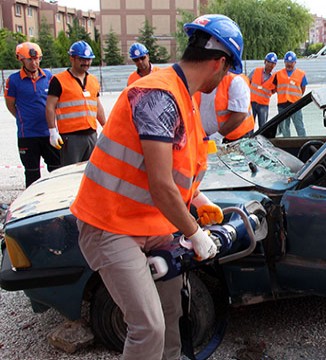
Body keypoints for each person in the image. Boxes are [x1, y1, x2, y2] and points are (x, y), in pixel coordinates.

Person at [69, 14, 244, 360]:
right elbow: (161, 186)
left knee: (171, 314)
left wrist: (199, 200)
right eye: (227, 70)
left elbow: (177, 175)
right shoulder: (158, 95)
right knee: (148, 326)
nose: (226, 77)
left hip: (149, 224)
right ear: (219, 63)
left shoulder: (184, 97)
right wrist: (195, 233)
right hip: (111, 226)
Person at [4, 42, 61, 187]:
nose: (34, 63)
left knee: (56, 170)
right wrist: (23, 118)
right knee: (32, 173)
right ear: (21, 59)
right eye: (30, 59)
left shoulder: (48, 76)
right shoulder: (14, 80)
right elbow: (10, 105)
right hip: (27, 135)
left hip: (48, 133)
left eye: (37, 59)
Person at [45, 40, 106, 166]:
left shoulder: (93, 80)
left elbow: (97, 106)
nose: (86, 63)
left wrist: (106, 126)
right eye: (82, 59)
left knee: (91, 172)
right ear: (72, 58)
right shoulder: (58, 80)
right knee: (71, 174)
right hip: (70, 137)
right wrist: (52, 131)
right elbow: (50, 107)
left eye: (89, 59)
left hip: (91, 135)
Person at [195, 71, 255, 141]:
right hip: (207, 136)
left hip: (235, 137)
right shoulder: (200, 81)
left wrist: (218, 135)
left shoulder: (235, 81)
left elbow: (240, 113)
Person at [269, 51, 307, 137]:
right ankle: (287, 144)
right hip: (282, 105)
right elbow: (273, 88)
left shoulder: (301, 74)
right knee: (285, 128)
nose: (289, 64)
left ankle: (303, 142)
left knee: (299, 126)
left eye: (291, 62)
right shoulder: (278, 74)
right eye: (287, 62)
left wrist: (297, 97)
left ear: (295, 62)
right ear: (284, 62)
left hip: (296, 104)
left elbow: (303, 88)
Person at [248, 52, 277, 129]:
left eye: (273, 63)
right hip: (252, 103)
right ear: (265, 62)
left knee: (263, 127)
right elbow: (247, 82)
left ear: (275, 65)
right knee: (249, 126)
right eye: (269, 62)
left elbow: (274, 90)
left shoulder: (274, 77)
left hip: (263, 105)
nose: (270, 65)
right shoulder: (256, 71)